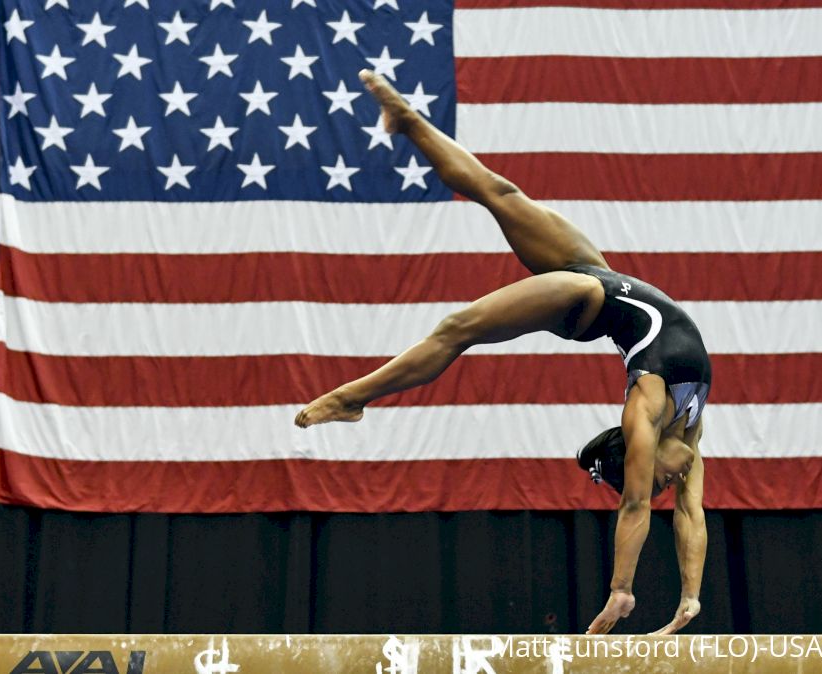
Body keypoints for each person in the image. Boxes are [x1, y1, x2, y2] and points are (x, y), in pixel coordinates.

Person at [295, 70, 710, 636]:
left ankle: (352, 397)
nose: (667, 488)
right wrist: (621, 592)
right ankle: (410, 123)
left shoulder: (682, 435)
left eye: (660, 483)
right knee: (488, 236)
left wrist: (691, 598)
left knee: (471, 295)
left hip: (607, 290)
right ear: (645, 453)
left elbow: (691, 514)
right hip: (590, 294)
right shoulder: (649, 413)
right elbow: (636, 507)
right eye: (660, 481)